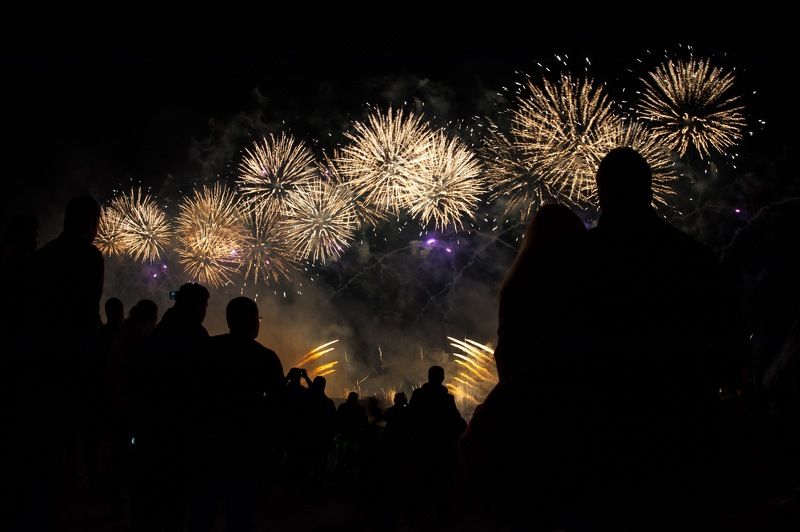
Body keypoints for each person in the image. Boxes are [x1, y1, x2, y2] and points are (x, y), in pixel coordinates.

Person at [187, 297, 284, 532]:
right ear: (252, 322)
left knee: (202, 512)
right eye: (258, 318)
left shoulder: (208, 349)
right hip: (247, 449)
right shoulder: (265, 358)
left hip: (208, 444)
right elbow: (278, 407)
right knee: (241, 514)